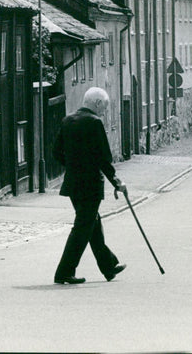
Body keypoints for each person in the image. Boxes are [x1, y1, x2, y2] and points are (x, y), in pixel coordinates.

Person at [53, 87, 127, 285]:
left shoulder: (67, 120)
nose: (105, 110)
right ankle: (64, 272)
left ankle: (108, 266)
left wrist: (72, 166)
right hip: (91, 185)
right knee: (82, 228)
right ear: (97, 103)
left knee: (92, 225)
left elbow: (56, 152)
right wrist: (117, 182)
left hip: (72, 185)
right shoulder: (95, 123)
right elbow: (103, 158)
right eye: (105, 106)